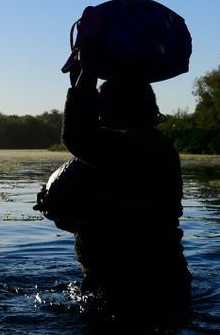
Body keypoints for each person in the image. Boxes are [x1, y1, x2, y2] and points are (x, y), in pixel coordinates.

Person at [54, 59, 190, 315]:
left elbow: (76, 134)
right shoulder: (148, 146)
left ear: (121, 108)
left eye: (103, 106)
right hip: (156, 281)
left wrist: (90, 69)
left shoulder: (136, 146)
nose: (99, 113)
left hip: (130, 287)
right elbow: (117, 210)